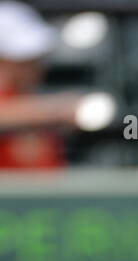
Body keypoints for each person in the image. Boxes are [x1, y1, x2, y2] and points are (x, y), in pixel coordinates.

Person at [0, 1, 80, 172]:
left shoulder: (27, 99)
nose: (37, 65)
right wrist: (54, 110)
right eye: (24, 58)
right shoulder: (39, 109)